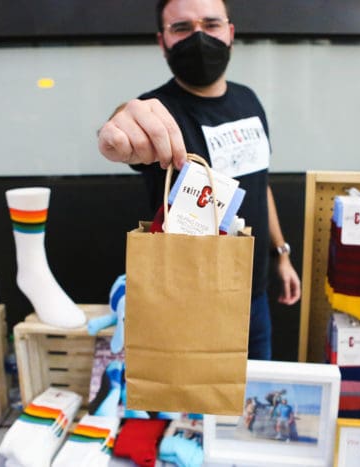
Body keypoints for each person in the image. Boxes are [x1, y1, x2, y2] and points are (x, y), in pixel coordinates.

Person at [97, 0, 300, 360]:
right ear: (162, 42)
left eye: (211, 24)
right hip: (189, 302)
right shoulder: (157, 111)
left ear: (230, 33)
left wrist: (281, 253)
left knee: (254, 392)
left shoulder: (248, 100)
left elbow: (259, 183)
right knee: (189, 397)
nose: (199, 37)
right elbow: (126, 125)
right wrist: (119, 125)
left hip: (255, 295)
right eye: (182, 28)